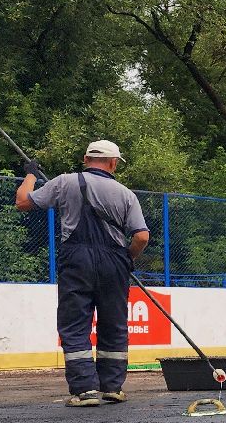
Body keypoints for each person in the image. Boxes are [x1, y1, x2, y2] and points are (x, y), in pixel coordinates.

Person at [13, 140, 151, 406]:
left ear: (86, 159)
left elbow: (22, 202)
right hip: (114, 261)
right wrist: (127, 258)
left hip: (76, 259)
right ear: (113, 163)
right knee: (114, 323)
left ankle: (84, 390)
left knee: (75, 323)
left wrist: (30, 173)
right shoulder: (125, 194)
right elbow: (142, 237)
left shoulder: (64, 182)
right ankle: (112, 386)